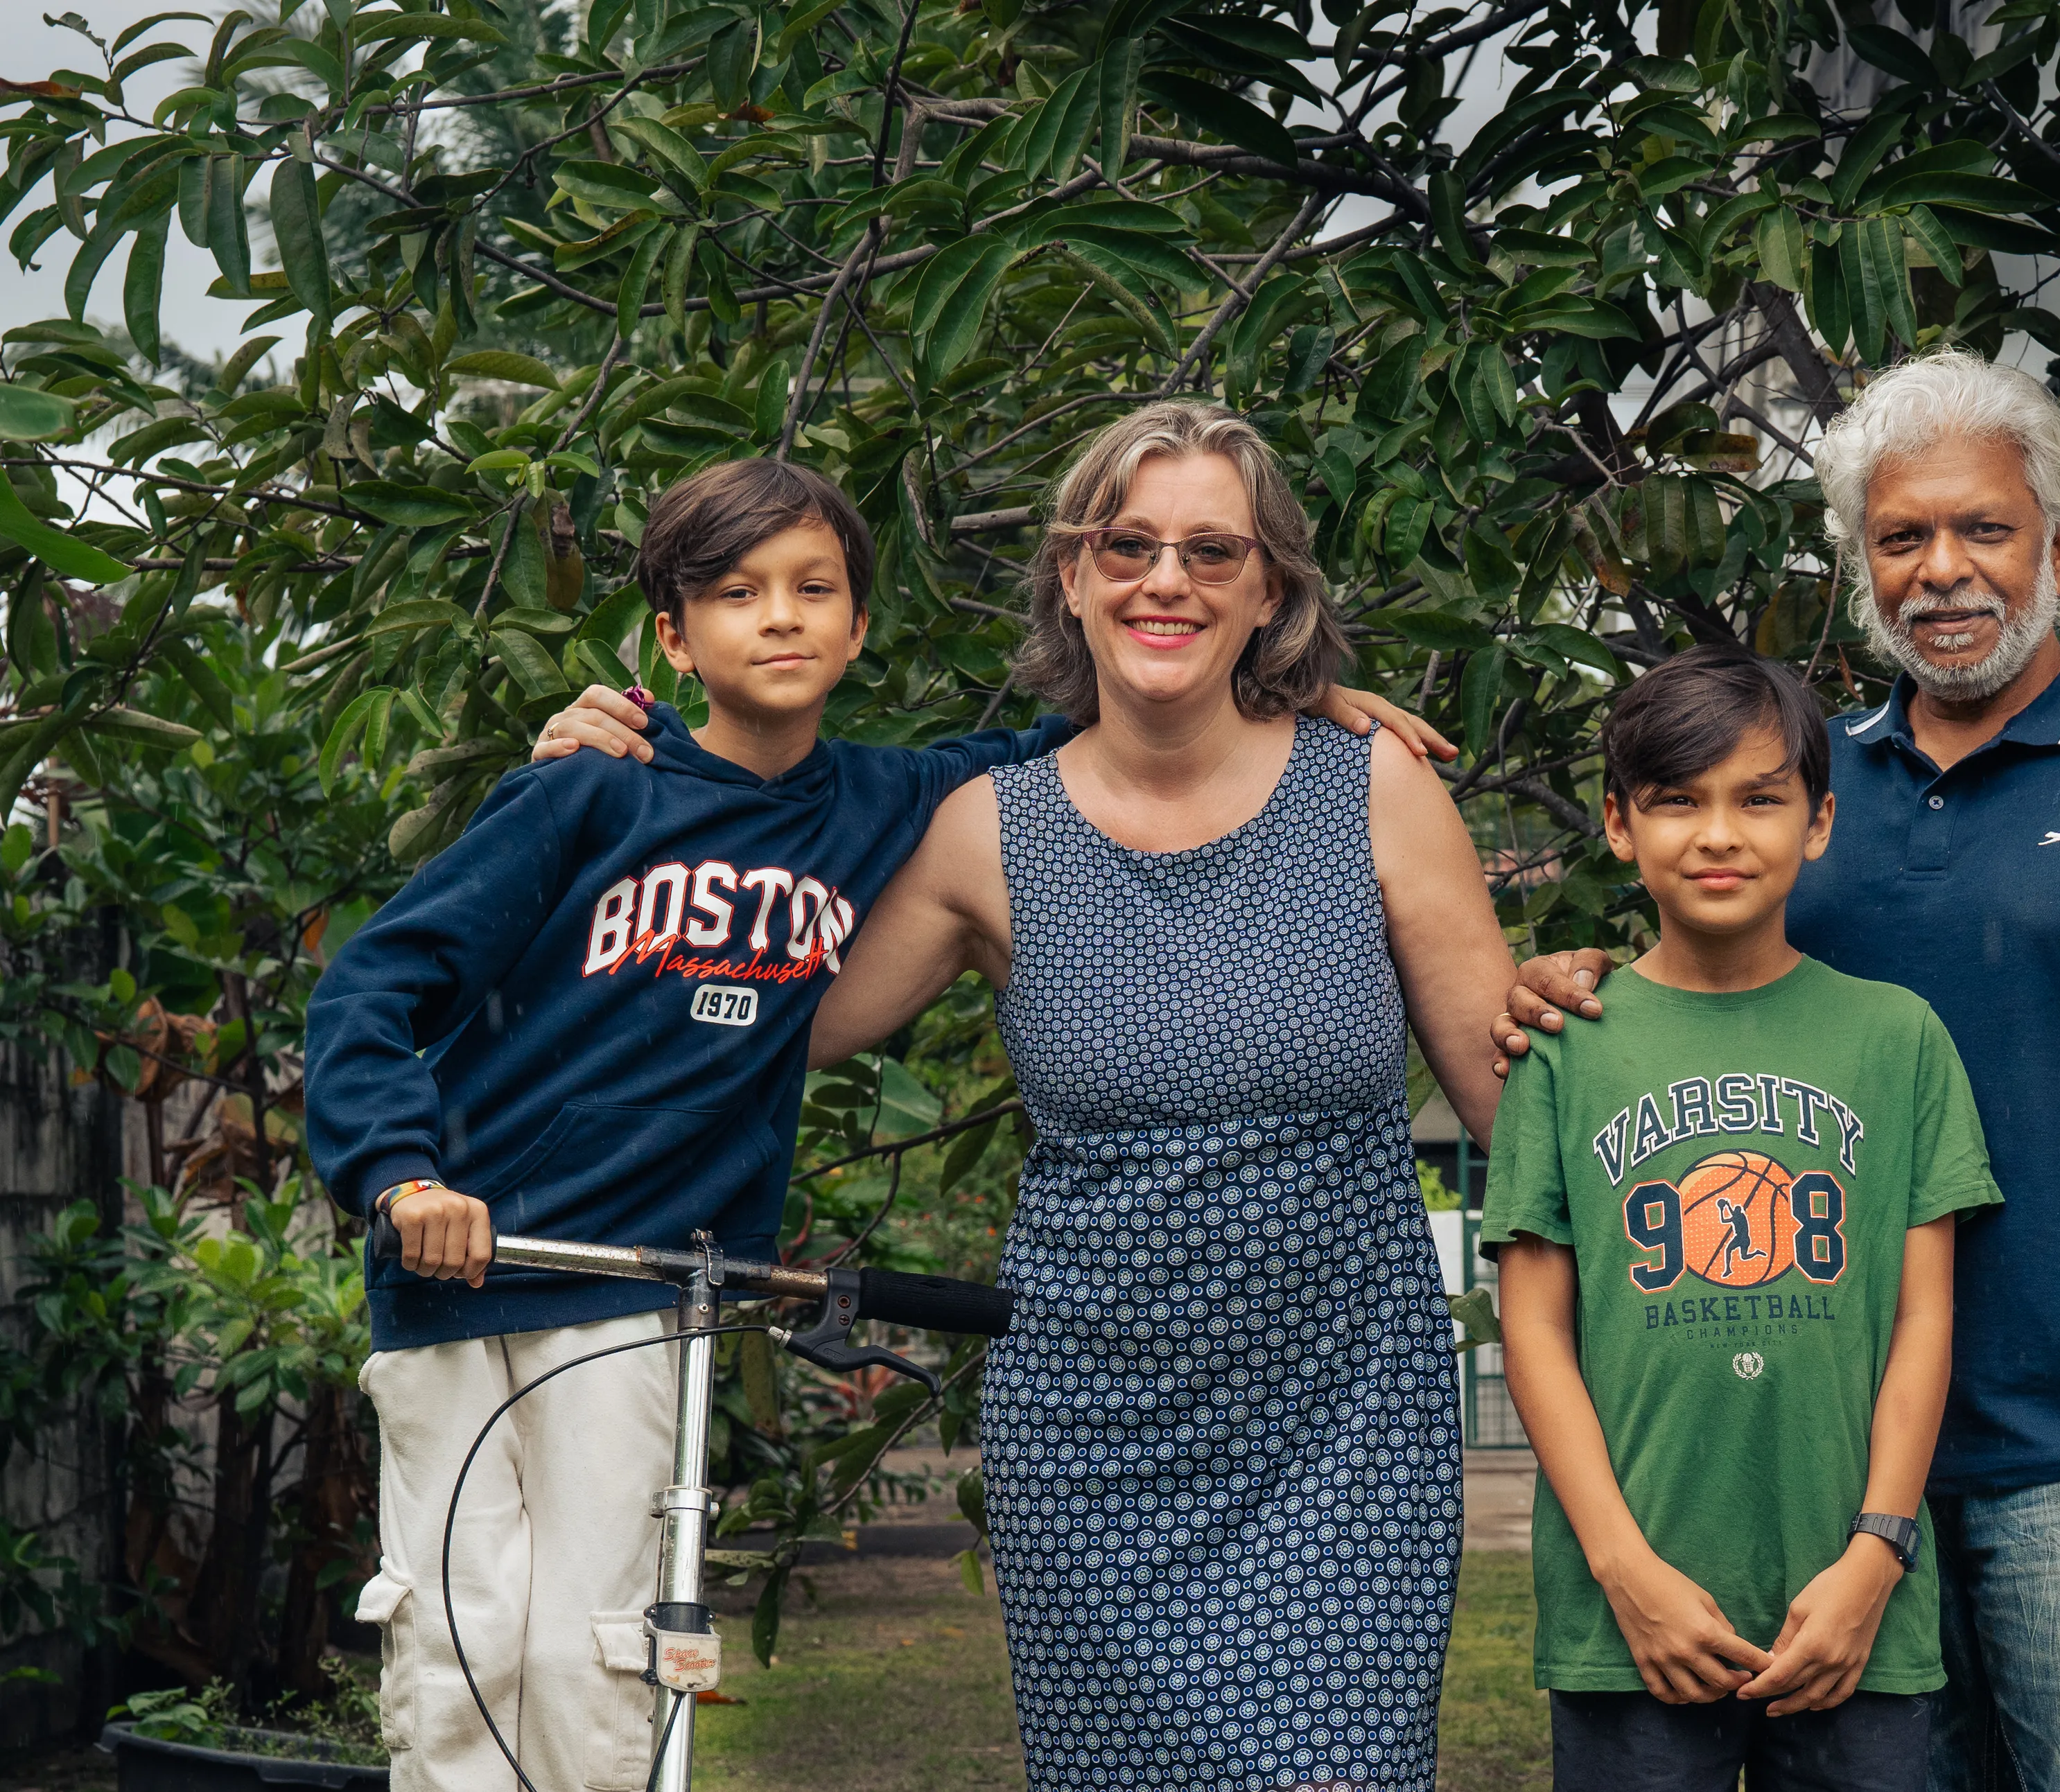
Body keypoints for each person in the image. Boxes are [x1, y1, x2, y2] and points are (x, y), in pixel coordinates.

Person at [536, 399, 1517, 1791]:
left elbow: (1514, 1111)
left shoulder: (1375, 790)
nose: (1164, 579)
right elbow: (753, 1024)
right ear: (1070, 574)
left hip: (1343, 1424)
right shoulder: (988, 828)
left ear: (1270, 592)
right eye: (1126, 545)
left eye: (1211, 553)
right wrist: (616, 807)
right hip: (1092, 1437)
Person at [1499, 350, 2060, 1792]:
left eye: (1984, 530)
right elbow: (1710, 991)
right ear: (1859, 565)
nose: (1943, 571)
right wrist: (1563, 979)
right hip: (1825, 1474)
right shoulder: (1809, 788)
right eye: (1902, 538)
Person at [305, 459, 1078, 1792]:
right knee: (461, 1636)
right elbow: (374, 982)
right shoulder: (591, 790)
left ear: (857, 625)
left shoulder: (888, 800)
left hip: (641, 1280)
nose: (778, 617)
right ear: (673, 635)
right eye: (735, 593)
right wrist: (400, 1174)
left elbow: (1089, 738)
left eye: (811, 589)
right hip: (465, 1257)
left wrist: (1286, 700)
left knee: (599, 1649)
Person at [1486, 643, 2000, 1792]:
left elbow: (1923, 1321)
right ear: (1619, 825)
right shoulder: (1564, 1046)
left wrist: (1878, 1553)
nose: (1719, 834)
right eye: (1678, 801)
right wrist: (1628, 1573)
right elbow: (1533, 1333)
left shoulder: (1898, 1038)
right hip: (1637, 1618)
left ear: (1818, 822)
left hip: (1852, 1611)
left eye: (1759, 799)